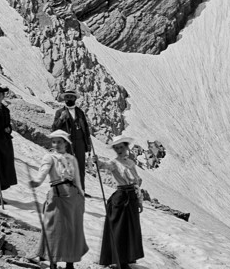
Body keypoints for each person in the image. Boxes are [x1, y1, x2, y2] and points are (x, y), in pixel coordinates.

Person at [29, 129, 88, 268]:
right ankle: (53, 262)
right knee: (53, 228)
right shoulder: (49, 158)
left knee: (72, 229)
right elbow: (43, 171)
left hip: (73, 197)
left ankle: (70, 263)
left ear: (66, 143)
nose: (56, 145)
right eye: (54, 142)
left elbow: (77, 179)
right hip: (57, 195)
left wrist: (81, 196)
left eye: (59, 142)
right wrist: (37, 182)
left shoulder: (72, 159)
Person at [95, 135, 144, 269]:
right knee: (119, 229)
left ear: (126, 147)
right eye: (116, 148)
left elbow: (136, 183)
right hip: (121, 198)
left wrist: (139, 201)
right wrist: (97, 161)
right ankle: (120, 261)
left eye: (121, 147)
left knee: (130, 230)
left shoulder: (131, 163)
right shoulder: (114, 163)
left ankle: (126, 258)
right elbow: (104, 165)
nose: (119, 150)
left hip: (132, 198)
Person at [51, 90, 93, 193]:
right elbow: (54, 128)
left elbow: (85, 128)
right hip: (67, 143)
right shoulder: (60, 112)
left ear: (75, 98)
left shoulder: (80, 112)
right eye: (67, 97)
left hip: (80, 143)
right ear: (64, 99)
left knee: (80, 166)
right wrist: (61, 118)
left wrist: (88, 143)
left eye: (71, 97)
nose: (69, 99)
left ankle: (81, 190)